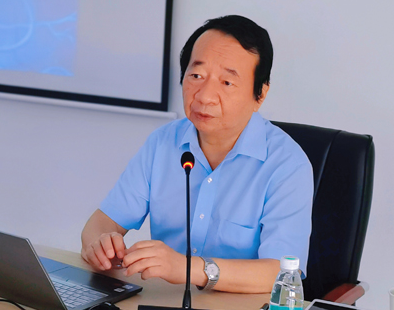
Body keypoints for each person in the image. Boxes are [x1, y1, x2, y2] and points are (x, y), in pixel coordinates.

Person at [81, 15, 313, 294]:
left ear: (260, 94)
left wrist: (189, 269)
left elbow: (281, 273)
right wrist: (99, 243)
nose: (204, 96)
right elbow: (102, 221)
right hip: (164, 304)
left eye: (227, 82)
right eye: (196, 76)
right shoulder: (163, 143)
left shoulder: (287, 165)